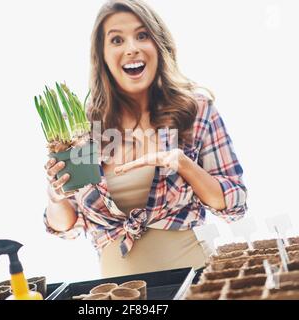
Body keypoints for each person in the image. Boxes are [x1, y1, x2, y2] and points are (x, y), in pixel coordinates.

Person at [43, 0, 247, 278]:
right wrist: (55, 197)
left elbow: (234, 205)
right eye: (117, 39)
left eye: (142, 35)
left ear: (158, 44)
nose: (131, 48)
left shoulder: (196, 111)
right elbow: (68, 227)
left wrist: (183, 164)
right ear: (101, 55)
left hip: (196, 282)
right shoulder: (84, 129)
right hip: (117, 294)